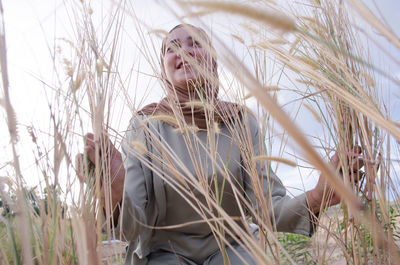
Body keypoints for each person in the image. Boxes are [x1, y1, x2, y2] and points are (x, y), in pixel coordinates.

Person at [77, 24, 364, 265]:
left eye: (196, 44)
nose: (185, 52)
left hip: (232, 248)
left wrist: (317, 196)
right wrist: (115, 193)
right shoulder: (144, 126)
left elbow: (267, 209)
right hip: (164, 253)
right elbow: (132, 228)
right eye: (172, 47)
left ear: (212, 60)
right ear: (163, 70)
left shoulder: (241, 122)